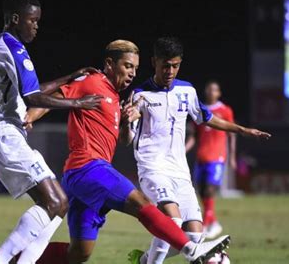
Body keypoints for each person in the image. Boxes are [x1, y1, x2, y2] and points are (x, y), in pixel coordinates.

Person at [28, 39, 228, 264]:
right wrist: (30, 117)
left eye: (135, 67)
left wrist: (125, 122)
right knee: (141, 202)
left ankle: (10, 259)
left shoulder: (115, 98)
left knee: (79, 253)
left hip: (84, 179)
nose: (132, 73)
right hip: (87, 167)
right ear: (109, 64)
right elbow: (54, 98)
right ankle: (193, 249)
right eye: (127, 66)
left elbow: (123, 139)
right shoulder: (93, 81)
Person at [0, 0, 102, 263]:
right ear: (15, 19)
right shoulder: (14, 48)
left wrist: (69, 77)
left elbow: (31, 91)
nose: (36, 26)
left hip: (3, 135)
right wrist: (78, 102)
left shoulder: (7, 46)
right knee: (55, 203)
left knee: (59, 204)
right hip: (4, 134)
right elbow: (33, 99)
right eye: (32, 20)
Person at [126, 37, 271, 264]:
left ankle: (144, 260)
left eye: (175, 65)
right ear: (154, 62)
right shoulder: (140, 94)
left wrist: (241, 130)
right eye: (165, 65)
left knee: (194, 234)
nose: (170, 71)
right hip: (152, 168)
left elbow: (208, 118)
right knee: (171, 222)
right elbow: (128, 138)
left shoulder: (187, 91)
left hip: (180, 171)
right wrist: (127, 121)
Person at [185, 80, 236, 239]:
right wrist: (183, 150)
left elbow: (231, 134)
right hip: (202, 157)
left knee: (210, 190)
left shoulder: (225, 110)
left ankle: (206, 225)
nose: (211, 92)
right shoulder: (200, 110)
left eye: (214, 90)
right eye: (209, 89)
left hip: (217, 157)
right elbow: (194, 136)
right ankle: (213, 222)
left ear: (218, 93)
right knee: (201, 192)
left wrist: (233, 156)